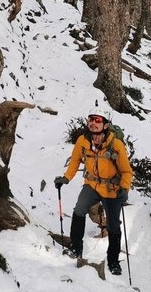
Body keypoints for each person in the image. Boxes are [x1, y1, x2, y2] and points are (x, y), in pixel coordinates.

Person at [55, 110, 132, 275]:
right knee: (79, 210)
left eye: (97, 120)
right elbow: (75, 160)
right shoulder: (82, 141)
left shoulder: (115, 145)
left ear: (105, 125)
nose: (93, 123)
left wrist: (124, 188)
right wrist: (66, 178)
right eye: (90, 119)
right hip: (92, 185)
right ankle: (76, 249)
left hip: (112, 190)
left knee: (113, 225)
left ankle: (113, 262)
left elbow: (126, 171)